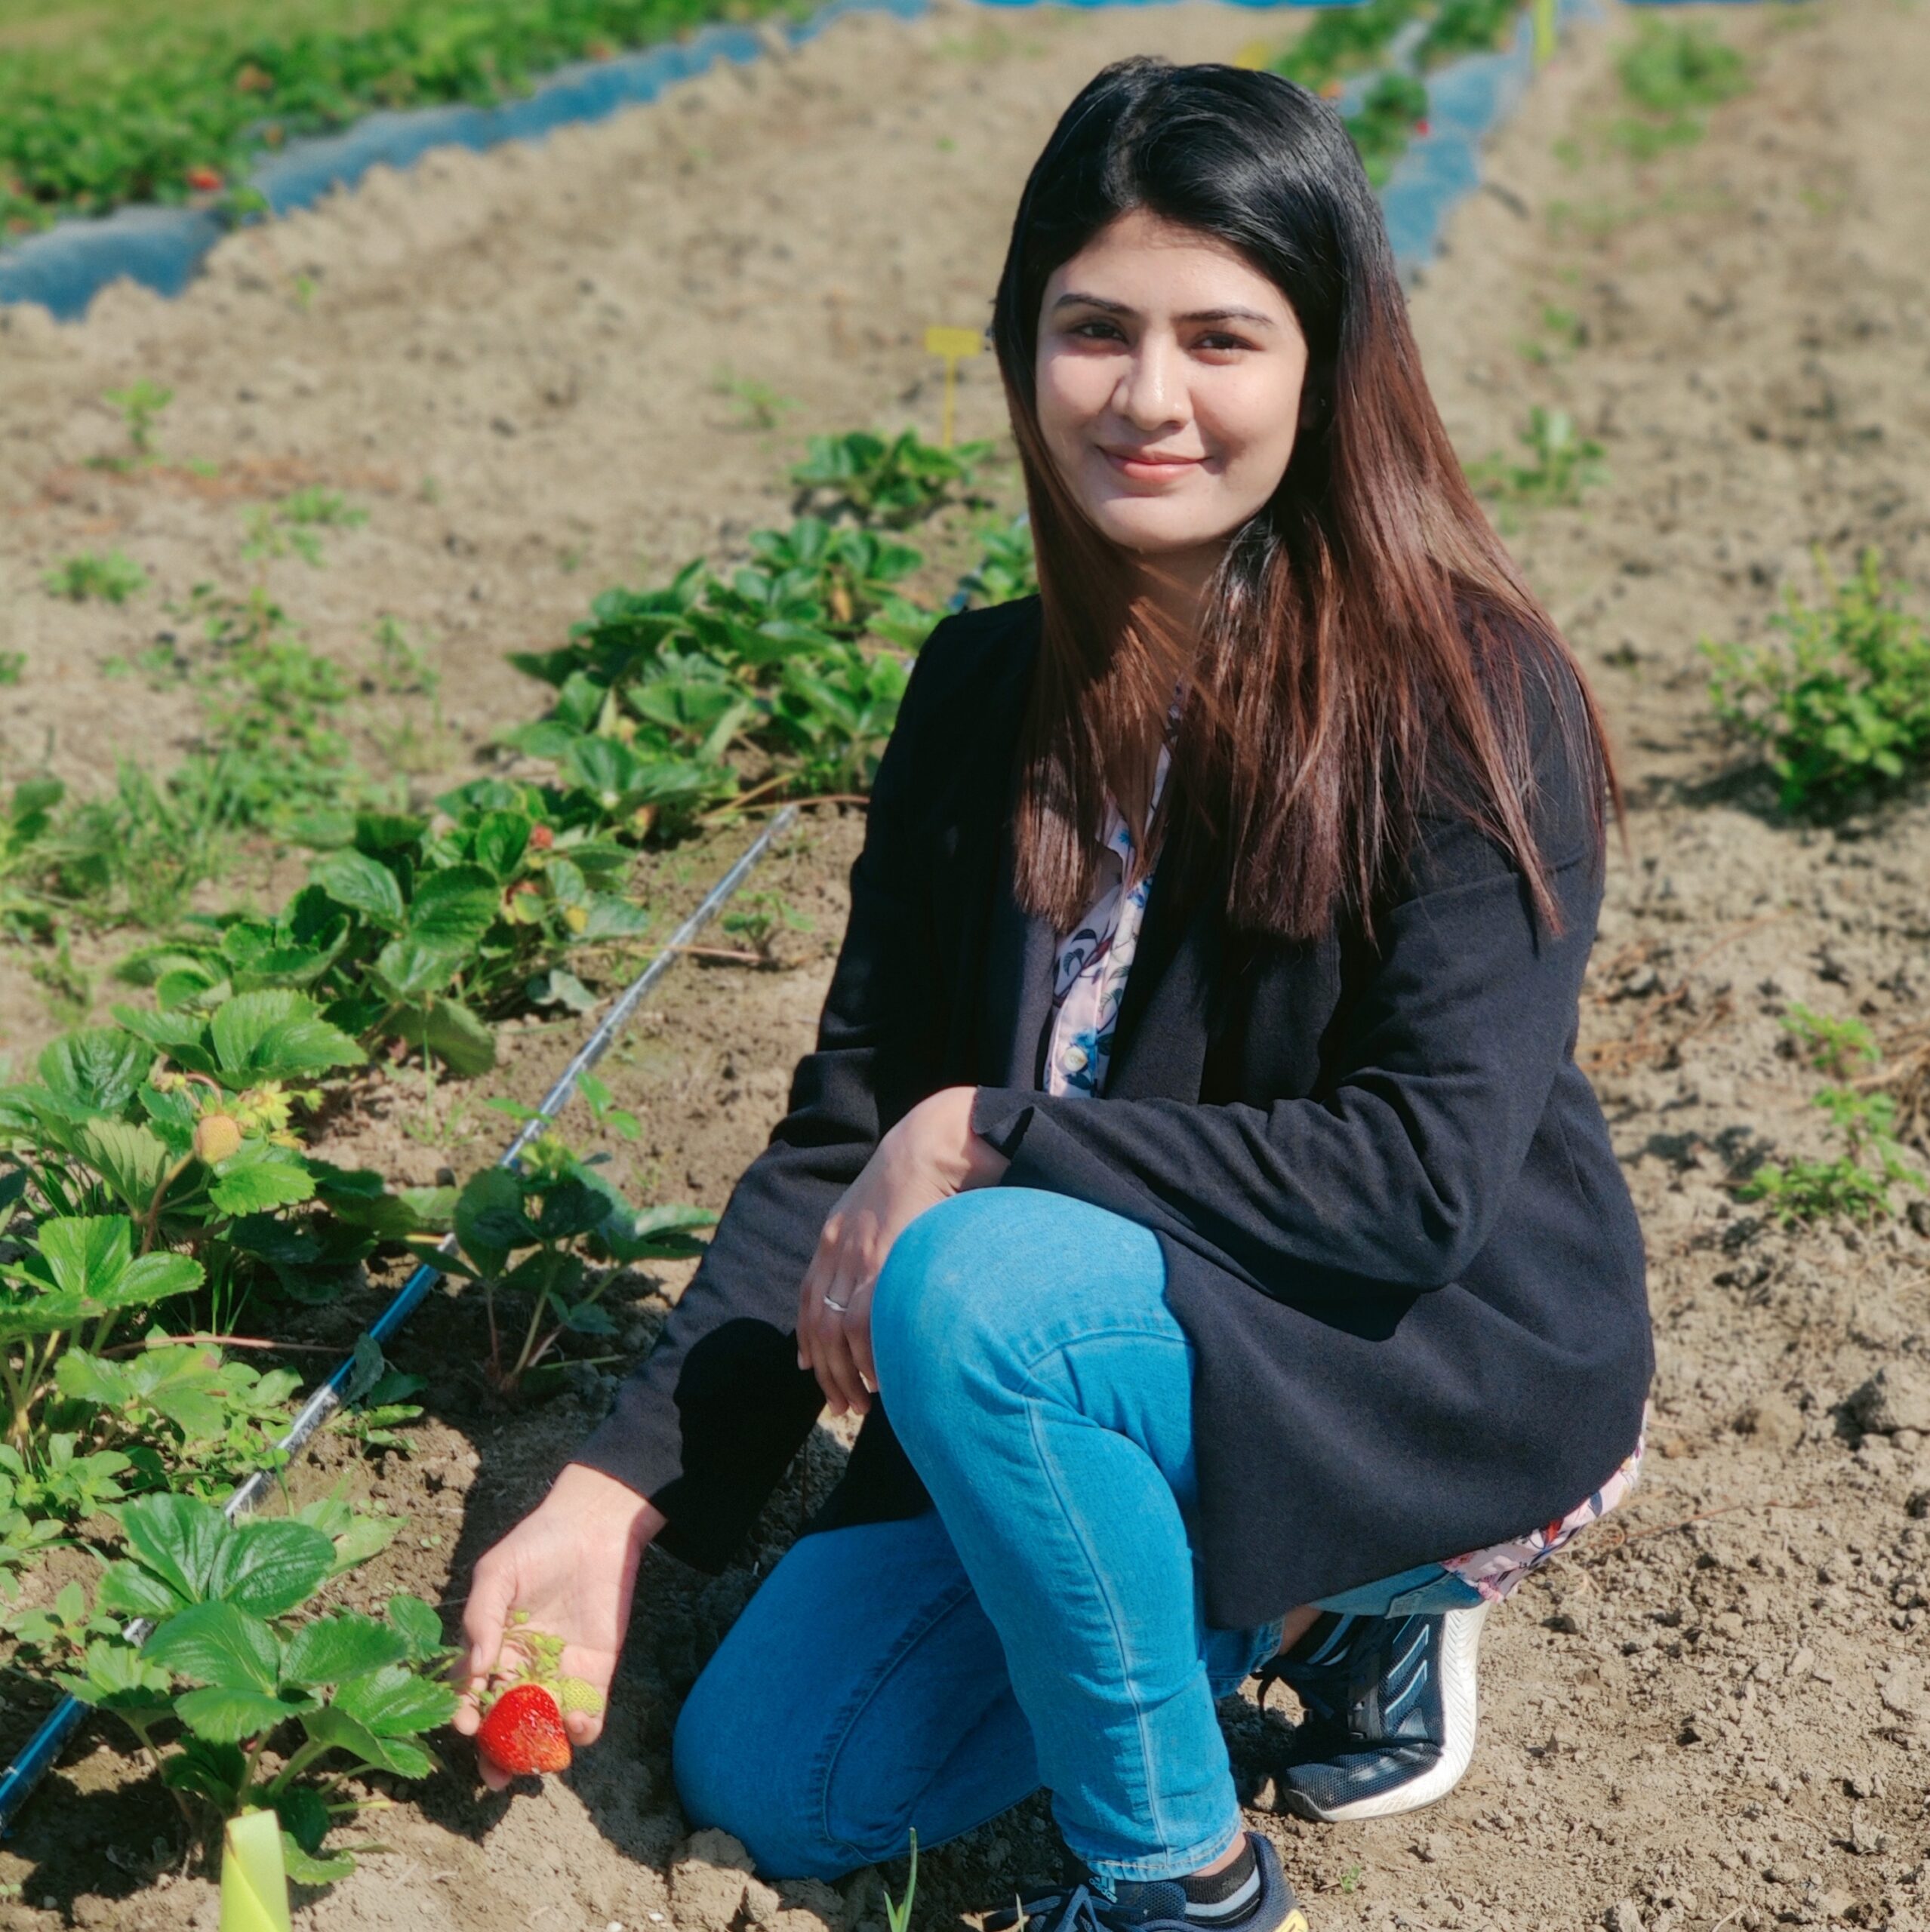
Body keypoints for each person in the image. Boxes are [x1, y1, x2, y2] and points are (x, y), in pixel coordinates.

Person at [454, 54, 1652, 1932]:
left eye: (1221, 337)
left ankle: (1190, 1861)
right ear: (1021, 347)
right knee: (787, 1770)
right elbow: (848, 1125)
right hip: (1114, 1347)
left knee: (974, 1270)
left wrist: (994, 1129)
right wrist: (617, 1490)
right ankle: (1287, 1602)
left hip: (1410, 1352)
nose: (1150, 396)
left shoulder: (1459, 694)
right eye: (1094, 329)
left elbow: (1420, 1177)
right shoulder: (977, 696)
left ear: (1327, 368)